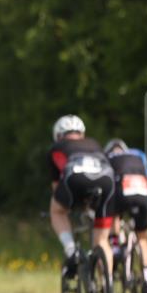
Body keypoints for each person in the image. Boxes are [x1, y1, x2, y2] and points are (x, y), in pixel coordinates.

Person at [47, 115, 115, 280]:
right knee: (102, 240)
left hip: (75, 178)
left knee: (56, 210)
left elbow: (57, 187)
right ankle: (108, 288)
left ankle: (70, 250)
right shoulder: (94, 143)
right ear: (82, 133)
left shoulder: (57, 147)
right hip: (107, 181)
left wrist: (68, 206)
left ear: (58, 135)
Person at [104, 138, 147, 293]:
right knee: (143, 239)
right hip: (142, 192)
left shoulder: (107, 158)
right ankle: (146, 278)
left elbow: (106, 184)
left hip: (121, 191)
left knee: (114, 215)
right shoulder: (138, 154)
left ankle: (116, 246)